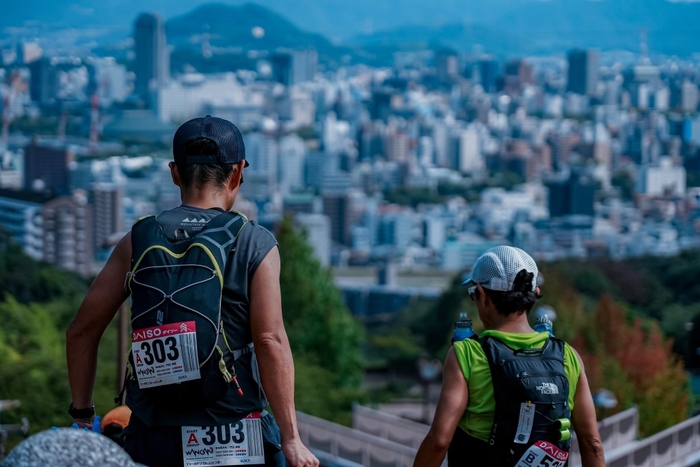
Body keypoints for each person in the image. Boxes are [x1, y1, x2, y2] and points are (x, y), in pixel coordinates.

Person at [66, 116, 319, 467]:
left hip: (152, 435)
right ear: (237, 174)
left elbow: (81, 331)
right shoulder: (252, 242)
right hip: (235, 435)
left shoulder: (139, 239)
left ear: (174, 173)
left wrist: (82, 414)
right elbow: (269, 340)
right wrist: (292, 439)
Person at [413, 246, 605, 467]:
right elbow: (593, 444)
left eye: (473, 294)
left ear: (482, 296)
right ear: (536, 294)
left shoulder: (467, 354)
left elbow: (439, 441)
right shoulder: (568, 356)